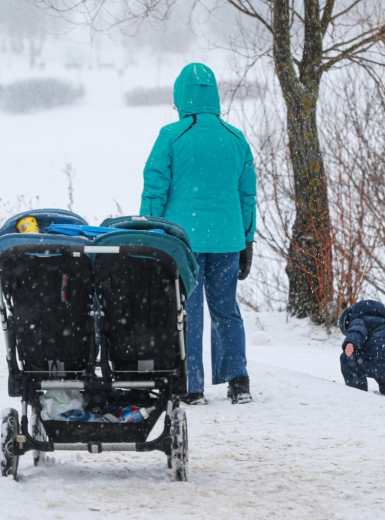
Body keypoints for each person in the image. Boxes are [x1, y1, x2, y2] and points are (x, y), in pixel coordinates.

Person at [140, 63, 257, 405]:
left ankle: (191, 386)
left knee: (186, 311)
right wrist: (247, 239)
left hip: (182, 242)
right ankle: (238, 380)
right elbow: (246, 195)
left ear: (180, 96)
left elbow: (155, 190)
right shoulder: (236, 138)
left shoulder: (171, 136)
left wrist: (149, 235)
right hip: (228, 239)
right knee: (225, 308)